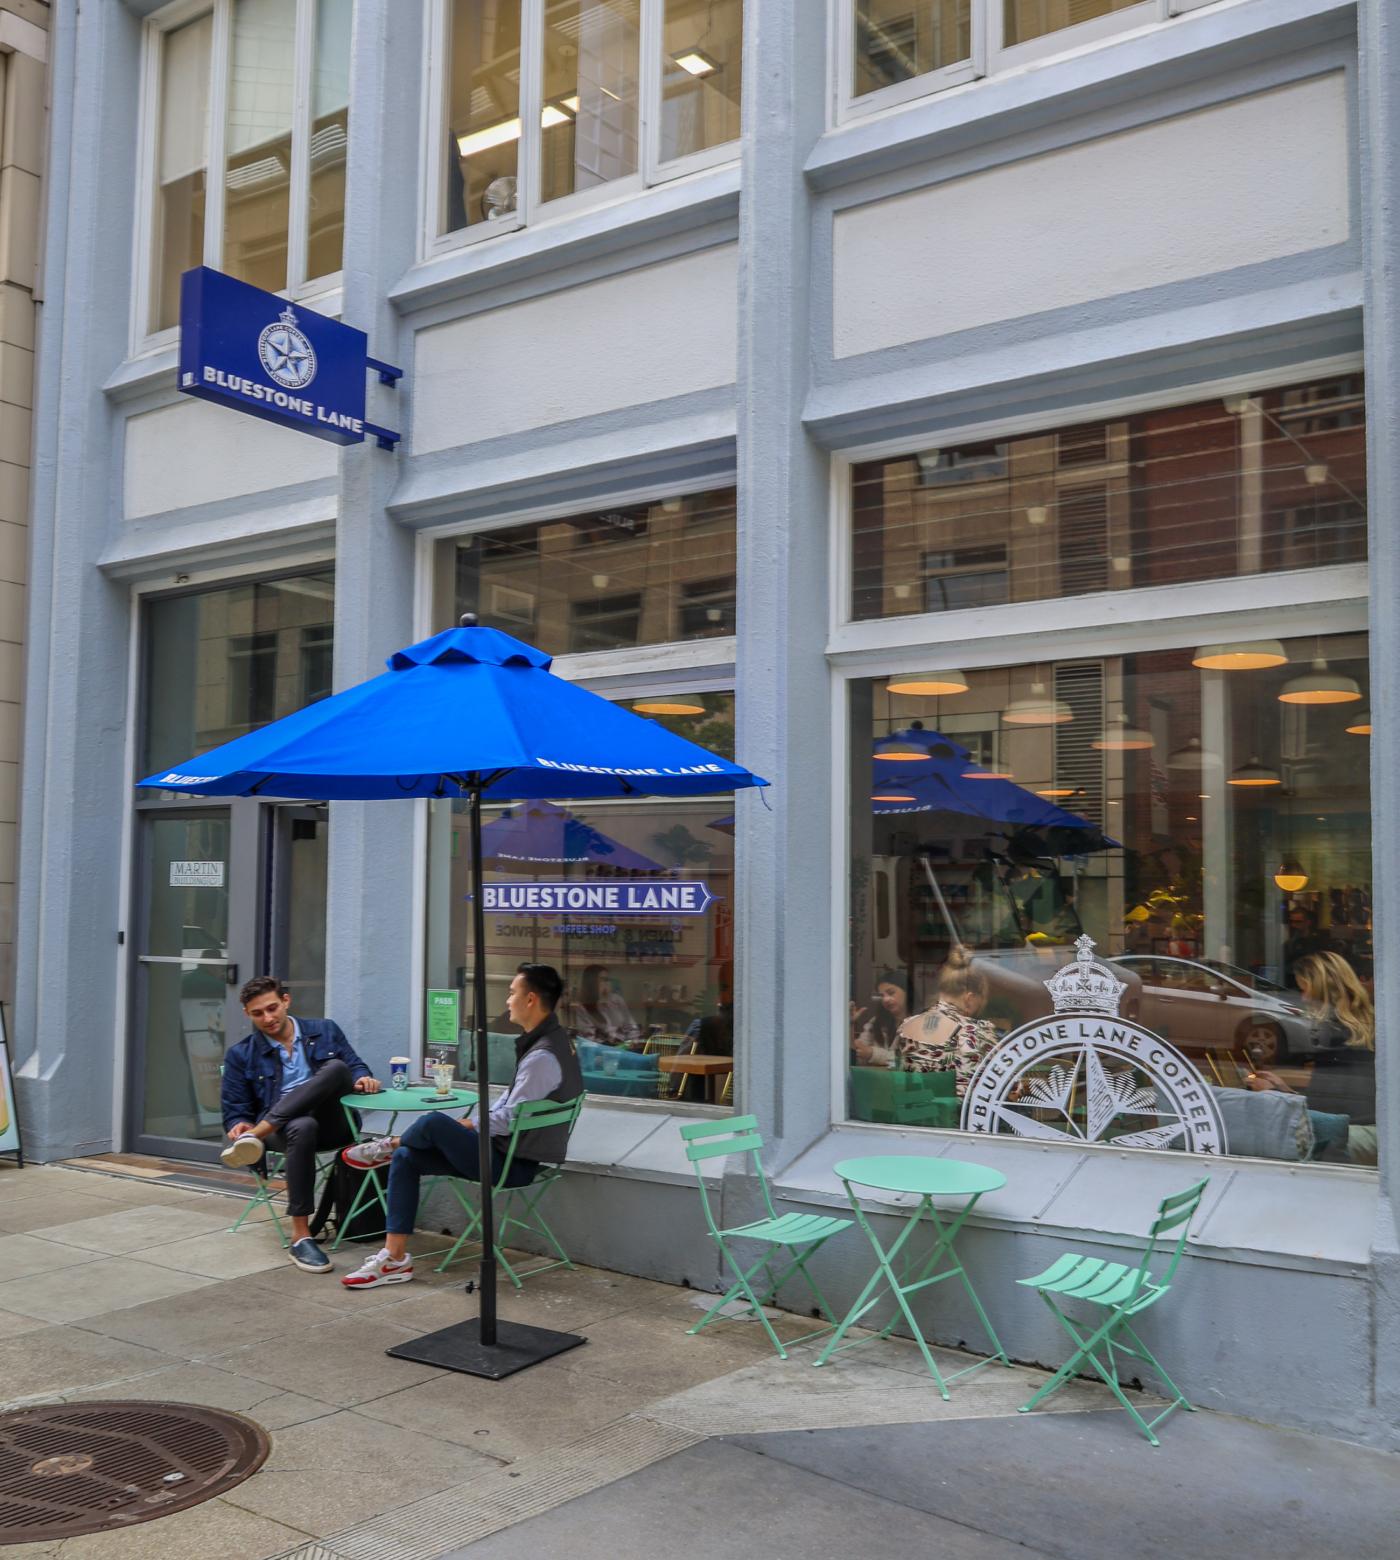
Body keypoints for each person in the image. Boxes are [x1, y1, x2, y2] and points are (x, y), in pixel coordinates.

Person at [340, 962, 583, 1289]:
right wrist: (474, 1125)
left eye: (512, 993)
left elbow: (508, 1119)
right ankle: (395, 1258)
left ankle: (388, 1144)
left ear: (531, 1000)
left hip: (510, 1164)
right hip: (509, 1154)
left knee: (433, 1123)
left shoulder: (542, 1056)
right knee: (408, 1158)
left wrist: (470, 1124)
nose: (507, 1000)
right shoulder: (552, 1043)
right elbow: (513, 1106)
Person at [220, 976, 381, 1273]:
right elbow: (234, 1109)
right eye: (258, 1013)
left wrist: (363, 1078)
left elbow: (355, 1067)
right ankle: (301, 1236)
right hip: (288, 1132)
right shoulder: (240, 1055)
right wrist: (239, 1124)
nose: (268, 1018)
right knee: (302, 1125)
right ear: (247, 1014)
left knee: (336, 1068)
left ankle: (259, 1133)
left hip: (332, 1122)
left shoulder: (325, 1030)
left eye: (272, 1008)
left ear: (286, 1000)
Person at [1247, 950, 1376, 1163]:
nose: (1304, 998)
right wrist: (1286, 1090)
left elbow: (1329, 1114)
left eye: (1305, 990)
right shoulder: (1357, 1025)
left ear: (1326, 991)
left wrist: (1280, 1096)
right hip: (1365, 1128)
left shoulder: (1335, 1032)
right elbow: (1334, 1098)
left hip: (1357, 1132)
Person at [894, 948, 999, 1098]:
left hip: (913, 1117)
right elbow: (1011, 1087)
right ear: (969, 998)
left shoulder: (907, 1027)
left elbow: (898, 1080)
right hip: (960, 1119)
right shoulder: (977, 1031)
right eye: (980, 1002)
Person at [569, 964, 641, 1048]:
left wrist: (632, 1043)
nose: (607, 984)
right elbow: (589, 1042)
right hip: (602, 1054)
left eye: (608, 980)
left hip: (625, 1051)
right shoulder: (583, 1008)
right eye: (603, 980)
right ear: (591, 983)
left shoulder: (617, 1000)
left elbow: (632, 1028)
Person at [850, 973, 910, 1067]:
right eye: (882, 996)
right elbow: (858, 1058)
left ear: (907, 991)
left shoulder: (921, 1022)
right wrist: (850, 1025)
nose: (885, 999)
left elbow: (910, 1063)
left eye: (891, 993)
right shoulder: (876, 1022)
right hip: (878, 1080)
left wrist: (873, 1054)